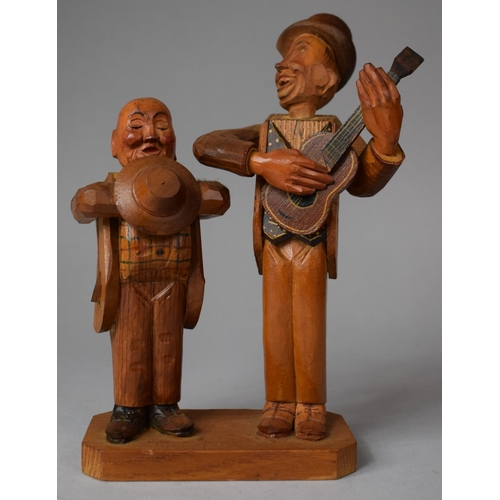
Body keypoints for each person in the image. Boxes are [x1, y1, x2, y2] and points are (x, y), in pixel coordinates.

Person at [193, 14, 405, 441]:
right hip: (274, 240)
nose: (282, 63)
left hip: (312, 240)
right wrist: (260, 161)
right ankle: (277, 402)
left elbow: (362, 182)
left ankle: (310, 404)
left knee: (309, 323)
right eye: (284, 55)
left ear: (327, 77)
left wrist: (385, 142)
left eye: (300, 51)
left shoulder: (334, 131)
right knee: (275, 323)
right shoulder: (268, 130)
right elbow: (206, 145)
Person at [72, 97, 229, 444]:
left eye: (161, 126)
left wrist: (180, 191)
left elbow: (218, 198)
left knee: (168, 344)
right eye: (136, 126)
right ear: (114, 143)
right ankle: (128, 408)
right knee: (131, 344)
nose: (150, 135)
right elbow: (85, 203)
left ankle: (165, 406)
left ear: (173, 139)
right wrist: (116, 197)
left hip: (173, 279)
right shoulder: (109, 190)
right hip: (129, 282)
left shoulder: (185, 189)